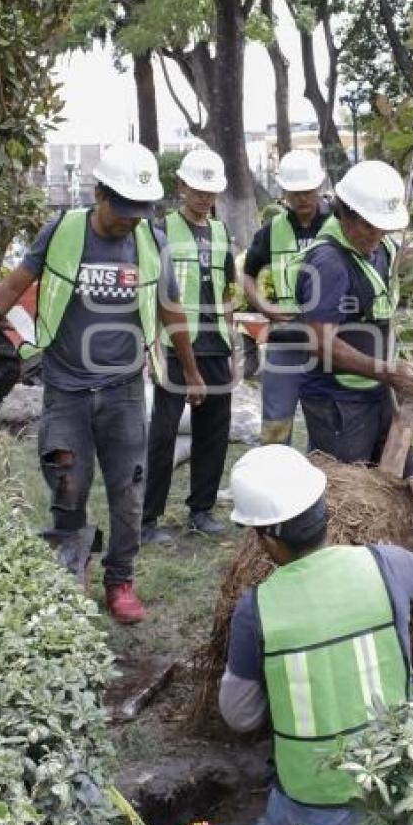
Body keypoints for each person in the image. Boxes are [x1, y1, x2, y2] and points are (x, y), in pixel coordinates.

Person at [219, 445, 413, 825]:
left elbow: (239, 715)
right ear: (326, 510)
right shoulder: (384, 566)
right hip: (397, 795)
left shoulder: (258, 610)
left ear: (266, 539)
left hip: (310, 814)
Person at [0, 142, 206, 624]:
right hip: (66, 390)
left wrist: (189, 371)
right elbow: (16, 282)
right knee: (67, 484)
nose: (131, 219)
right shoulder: (62, 231)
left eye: (138, 210)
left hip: (125, 391)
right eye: (123, 208)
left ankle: (120, 580)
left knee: (128, 491)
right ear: (100, 193)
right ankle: (72, 564)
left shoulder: (152, 243)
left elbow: (171, 310)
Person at [294, 160, 413, 471]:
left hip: (374, 390)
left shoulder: (380, 246)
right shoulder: (328, 263)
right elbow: (320, 343)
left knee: (396, 478)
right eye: (368, 225)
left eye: (382, 226)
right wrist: (389, 372)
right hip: (337, 402)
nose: (376, 233)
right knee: (349, 493)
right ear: (344, 212)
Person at [141, 147, 235, 543]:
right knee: (162, 435)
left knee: (214, 431)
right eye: (197, 189)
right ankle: (147, 519)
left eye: (211, 191)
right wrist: (152, 348)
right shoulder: (160, 231)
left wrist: (234, 343)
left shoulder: (220, 231)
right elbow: (152, 293)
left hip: (216, 346)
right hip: (175, 348)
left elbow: (228, 287)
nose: (204, 197)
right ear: (181, 187)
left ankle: (201, 510)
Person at [242, 151, 331, 444]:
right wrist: (265, 307)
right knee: (276, 421)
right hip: (286, 339)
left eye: (308, 192)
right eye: (295, 193)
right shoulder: (271, 231)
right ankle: (276, 479)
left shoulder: (339, 225)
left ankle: (326, 483)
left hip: (331, 340)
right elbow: (248, 274)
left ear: (318, 188)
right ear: (285, 193)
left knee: (328, 421)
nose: (303, 199)